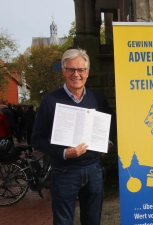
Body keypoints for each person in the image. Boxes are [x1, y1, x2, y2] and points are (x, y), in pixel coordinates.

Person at [32, 48, 116, 225]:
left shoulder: (97, 98)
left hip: (94, 170)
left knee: (92, 221)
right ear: (64, 71)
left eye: (81, 70)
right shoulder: (50, 100)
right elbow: (37, 138)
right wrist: (63, 153)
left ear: (87, 73)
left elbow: (111, 126)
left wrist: (107, 143)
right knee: (63, 222)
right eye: (71, 69)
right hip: (64, 172)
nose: (76, 74)